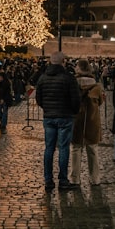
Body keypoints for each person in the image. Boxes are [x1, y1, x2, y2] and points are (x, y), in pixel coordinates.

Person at [35, 50, 81, 191]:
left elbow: (38, 99)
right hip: (65, 117)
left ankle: (48, 180)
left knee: (49, 148)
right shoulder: (68, 78)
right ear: (63, 62)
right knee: (63, 148)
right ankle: (63, 180)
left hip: (49, 117)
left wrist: (47, 108)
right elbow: (75, 99)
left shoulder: (43, 78)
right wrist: (73, 111)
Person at [70, 58, 104, 184]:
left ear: (78, 68)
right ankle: (95, 178)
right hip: (92, 119)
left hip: (76, 119)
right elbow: (100, 102)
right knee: (92, 149)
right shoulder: (96, 86)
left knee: (76, 149)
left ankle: (75, 178)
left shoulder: (73, 83)